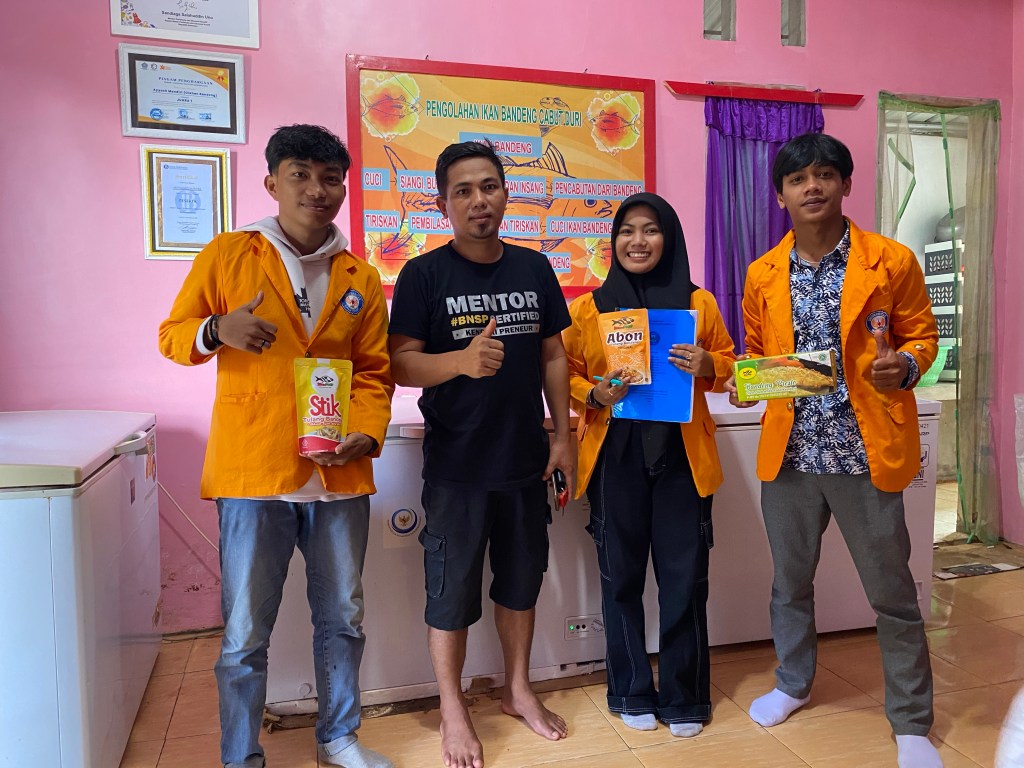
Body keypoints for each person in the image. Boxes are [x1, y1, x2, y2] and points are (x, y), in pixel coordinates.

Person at [158, 124, 395, 768]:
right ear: (271, 182)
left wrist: (367, 431)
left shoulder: (361, 276)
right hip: (253, 471)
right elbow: (173, 336)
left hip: (338, 476)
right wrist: (216, 329)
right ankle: (241, 756)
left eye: (330, 178)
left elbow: (374, 371)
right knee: (242, 634)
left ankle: (339, 737)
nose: (317, 189)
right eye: (300, 175)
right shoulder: (229, 254)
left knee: (343, 619)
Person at [726, 132, 941, 768]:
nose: (811, 187)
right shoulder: (762, 273)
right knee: (790, 584)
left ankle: (911, 721)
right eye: (797, 179)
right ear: (781, 195)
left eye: (824, 175)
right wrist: (748, 380)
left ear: (846, 184)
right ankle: (793, 683)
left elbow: (922, 338)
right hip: (791, 456)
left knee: (892, 594)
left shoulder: (891, 261)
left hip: (865, 454)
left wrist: (906, 366)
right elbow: (757, 351)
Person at [388, 140, 574, 768]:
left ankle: (517, 689)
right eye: (463, 190)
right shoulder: (423, 275)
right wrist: (461, 362)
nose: (478, 200)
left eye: (488, 186)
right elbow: (401, 363)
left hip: (525, 460)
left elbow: (553, 354)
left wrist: (563, 436)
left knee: (521, 583)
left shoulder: (533, 268)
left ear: (505, 194)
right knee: (451, 592)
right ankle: (452, 707)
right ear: (443, 203)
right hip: (457, 467)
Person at [562, 192, 735, 736]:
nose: (638, 241)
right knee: (620, 579)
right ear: (613, 241)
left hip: (682, 458)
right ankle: (631, 688)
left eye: (651, 230)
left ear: (669, 239)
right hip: (615, 457)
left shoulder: (699, 304)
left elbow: (731, 367)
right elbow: (563, 373)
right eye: (627, 231)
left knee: (685, 580)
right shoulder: (588, 309)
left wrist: (710, 364)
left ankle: (685, 696)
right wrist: (594, 394)